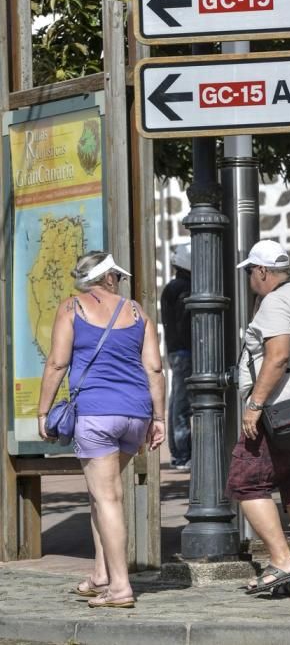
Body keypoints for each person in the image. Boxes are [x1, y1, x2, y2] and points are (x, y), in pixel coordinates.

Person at [38, 251, 165, 609]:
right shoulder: (138, 312)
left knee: (107, 496)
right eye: (118, 277)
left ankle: (121, 587)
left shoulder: (72, 308)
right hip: (135, 416)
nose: (120, 282)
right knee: (101, 494)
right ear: (107, 276)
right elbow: (155, 369)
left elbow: (58, 362)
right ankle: (101, 574)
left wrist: (44, 411)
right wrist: (159, 418)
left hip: (96, 414)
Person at [226, 239, 290, 599]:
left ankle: (283, 560)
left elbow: (278, 356)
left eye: (251, 274)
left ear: (262, 271)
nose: (251, 281)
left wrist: (254, 404)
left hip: (280, 409)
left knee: (245, 482)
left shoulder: (277, 301)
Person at [161, 242, 192, 472]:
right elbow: (185, 324)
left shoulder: (172, 287)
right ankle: (182, 453)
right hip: (185, 350)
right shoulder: (184, 289)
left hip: (175, 350)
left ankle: (178, 452)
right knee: (181, 404)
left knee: (176, 402)